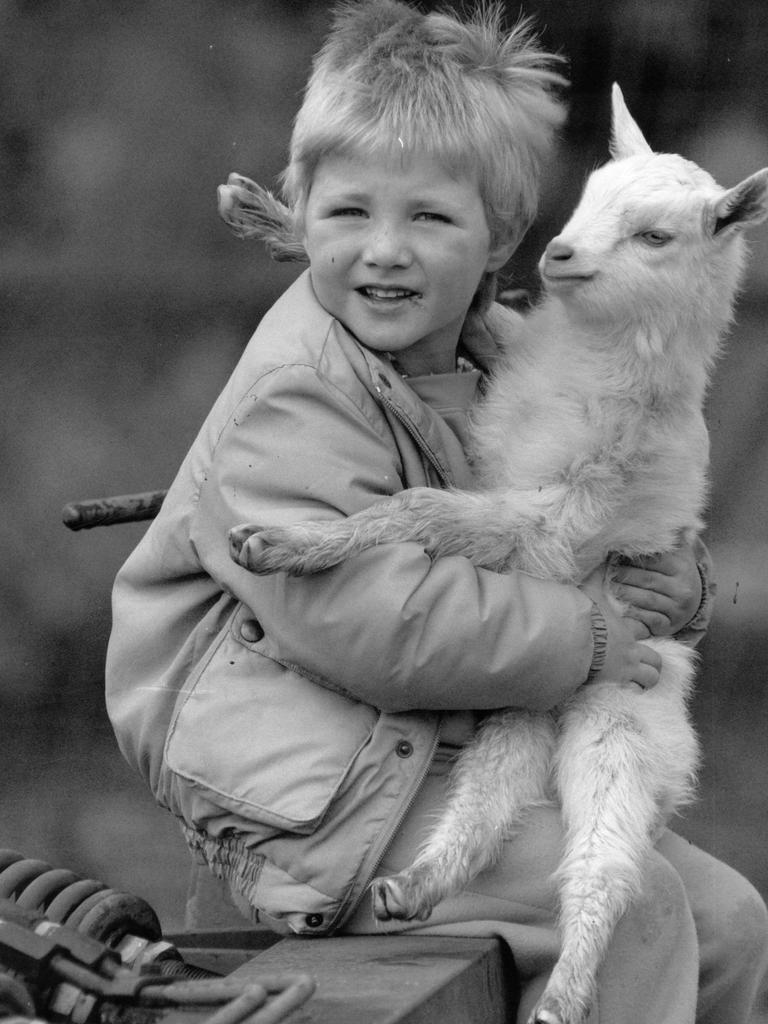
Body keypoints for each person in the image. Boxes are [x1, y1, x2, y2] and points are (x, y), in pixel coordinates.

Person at [105, 2, 768, 1022]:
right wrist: (588, 634)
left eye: (430, 219)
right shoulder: (299, 393)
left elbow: (604, 509)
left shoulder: (500, 346)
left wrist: (674, 589)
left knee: (732, 922)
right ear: (303, 212)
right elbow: (372, 621)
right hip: (311, 790)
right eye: (348, 214)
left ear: (502, 236)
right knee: (637, 915)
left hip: (443, 738)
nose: (387, 253)